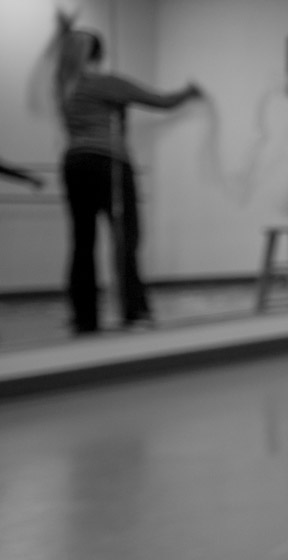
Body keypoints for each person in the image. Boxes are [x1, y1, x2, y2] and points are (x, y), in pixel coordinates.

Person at [51, 16, 202, 334]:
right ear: (98, 54)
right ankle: (133, 311)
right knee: (126, 238)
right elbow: (161, 100)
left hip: (74, 164)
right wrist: (189, 92)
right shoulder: (105, 83)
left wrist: (62, 32)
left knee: (82, 242)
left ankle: (84, 318)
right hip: (109, 164)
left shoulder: (64, 86)